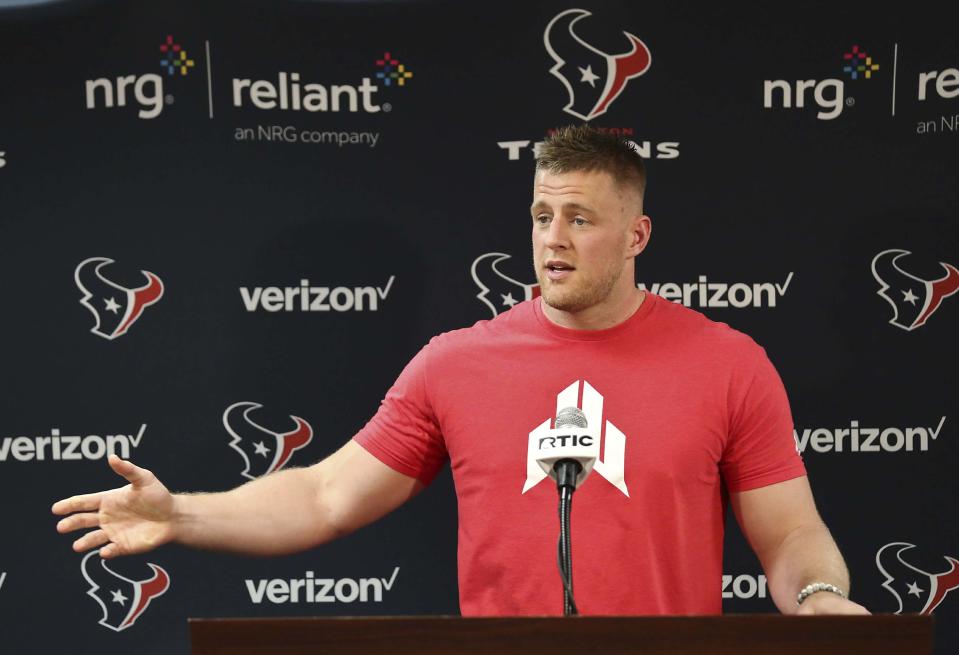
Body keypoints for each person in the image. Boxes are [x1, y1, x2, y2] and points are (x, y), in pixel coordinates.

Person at [53, 125, 869, 617]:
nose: (553, 239)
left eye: (581, 219)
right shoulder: (457, 361)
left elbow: (790, 533)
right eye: (542, 215)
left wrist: (818, 597)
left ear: (636, 234)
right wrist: (184, 515)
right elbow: (325, 495)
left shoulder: (726, 363)